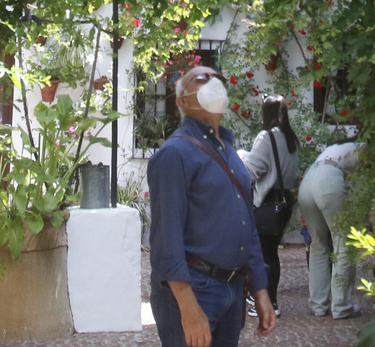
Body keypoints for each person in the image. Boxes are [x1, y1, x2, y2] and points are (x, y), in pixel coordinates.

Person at [148, 65, 277, 347]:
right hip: (195, 288)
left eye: (217, 78)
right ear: (182, 101)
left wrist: (261, 289)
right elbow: (166, 240)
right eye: (201, 79)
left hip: (231, 288)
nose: (213, 83)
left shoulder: (229, 153)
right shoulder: (174, 154)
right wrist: (188, 308)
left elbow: (247, 223)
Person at [241, 95, 298, 316]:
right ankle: (270, 301)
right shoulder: (290, 138)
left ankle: (263, 302)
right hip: (283, 201)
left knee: (261, 254)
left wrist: (242, 158)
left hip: (267, 201)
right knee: (271, 253)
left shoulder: (267, 137)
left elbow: (252, 170)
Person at [298, 140, 362, 319]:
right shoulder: (363, 148)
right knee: (343, 243)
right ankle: (342, 306)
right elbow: (365, 183)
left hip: (308, 180)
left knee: (318, 245)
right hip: (328, 179)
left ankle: (318, 305)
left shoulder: (334, 149)